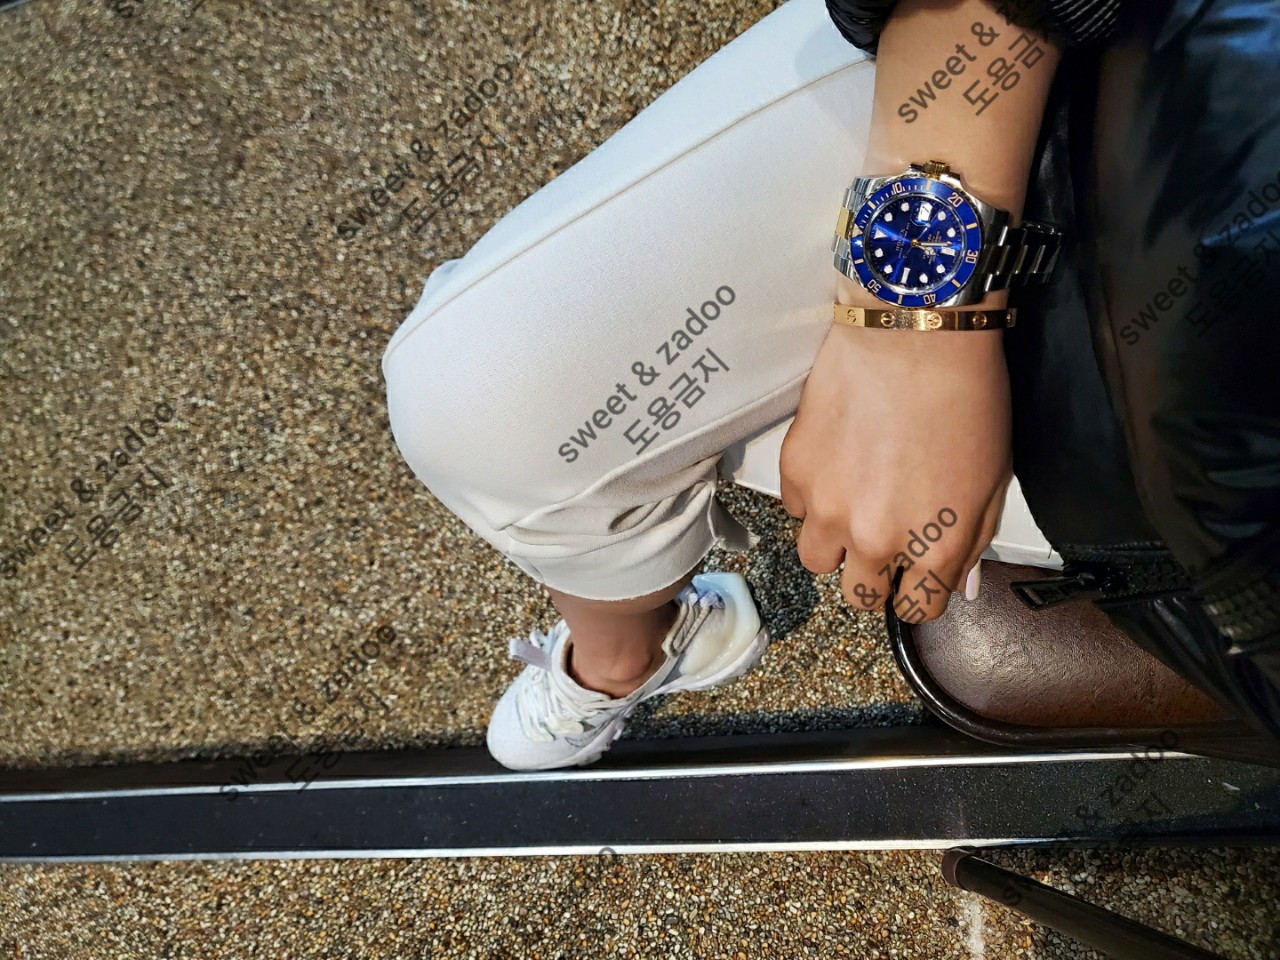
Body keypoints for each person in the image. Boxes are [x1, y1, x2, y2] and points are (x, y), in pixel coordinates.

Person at [383, 0, 1280, 771]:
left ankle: (640, 633)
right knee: (482, 400)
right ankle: (627, 657)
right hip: (1127, 99)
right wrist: (913, 330)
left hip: (1185, 555)